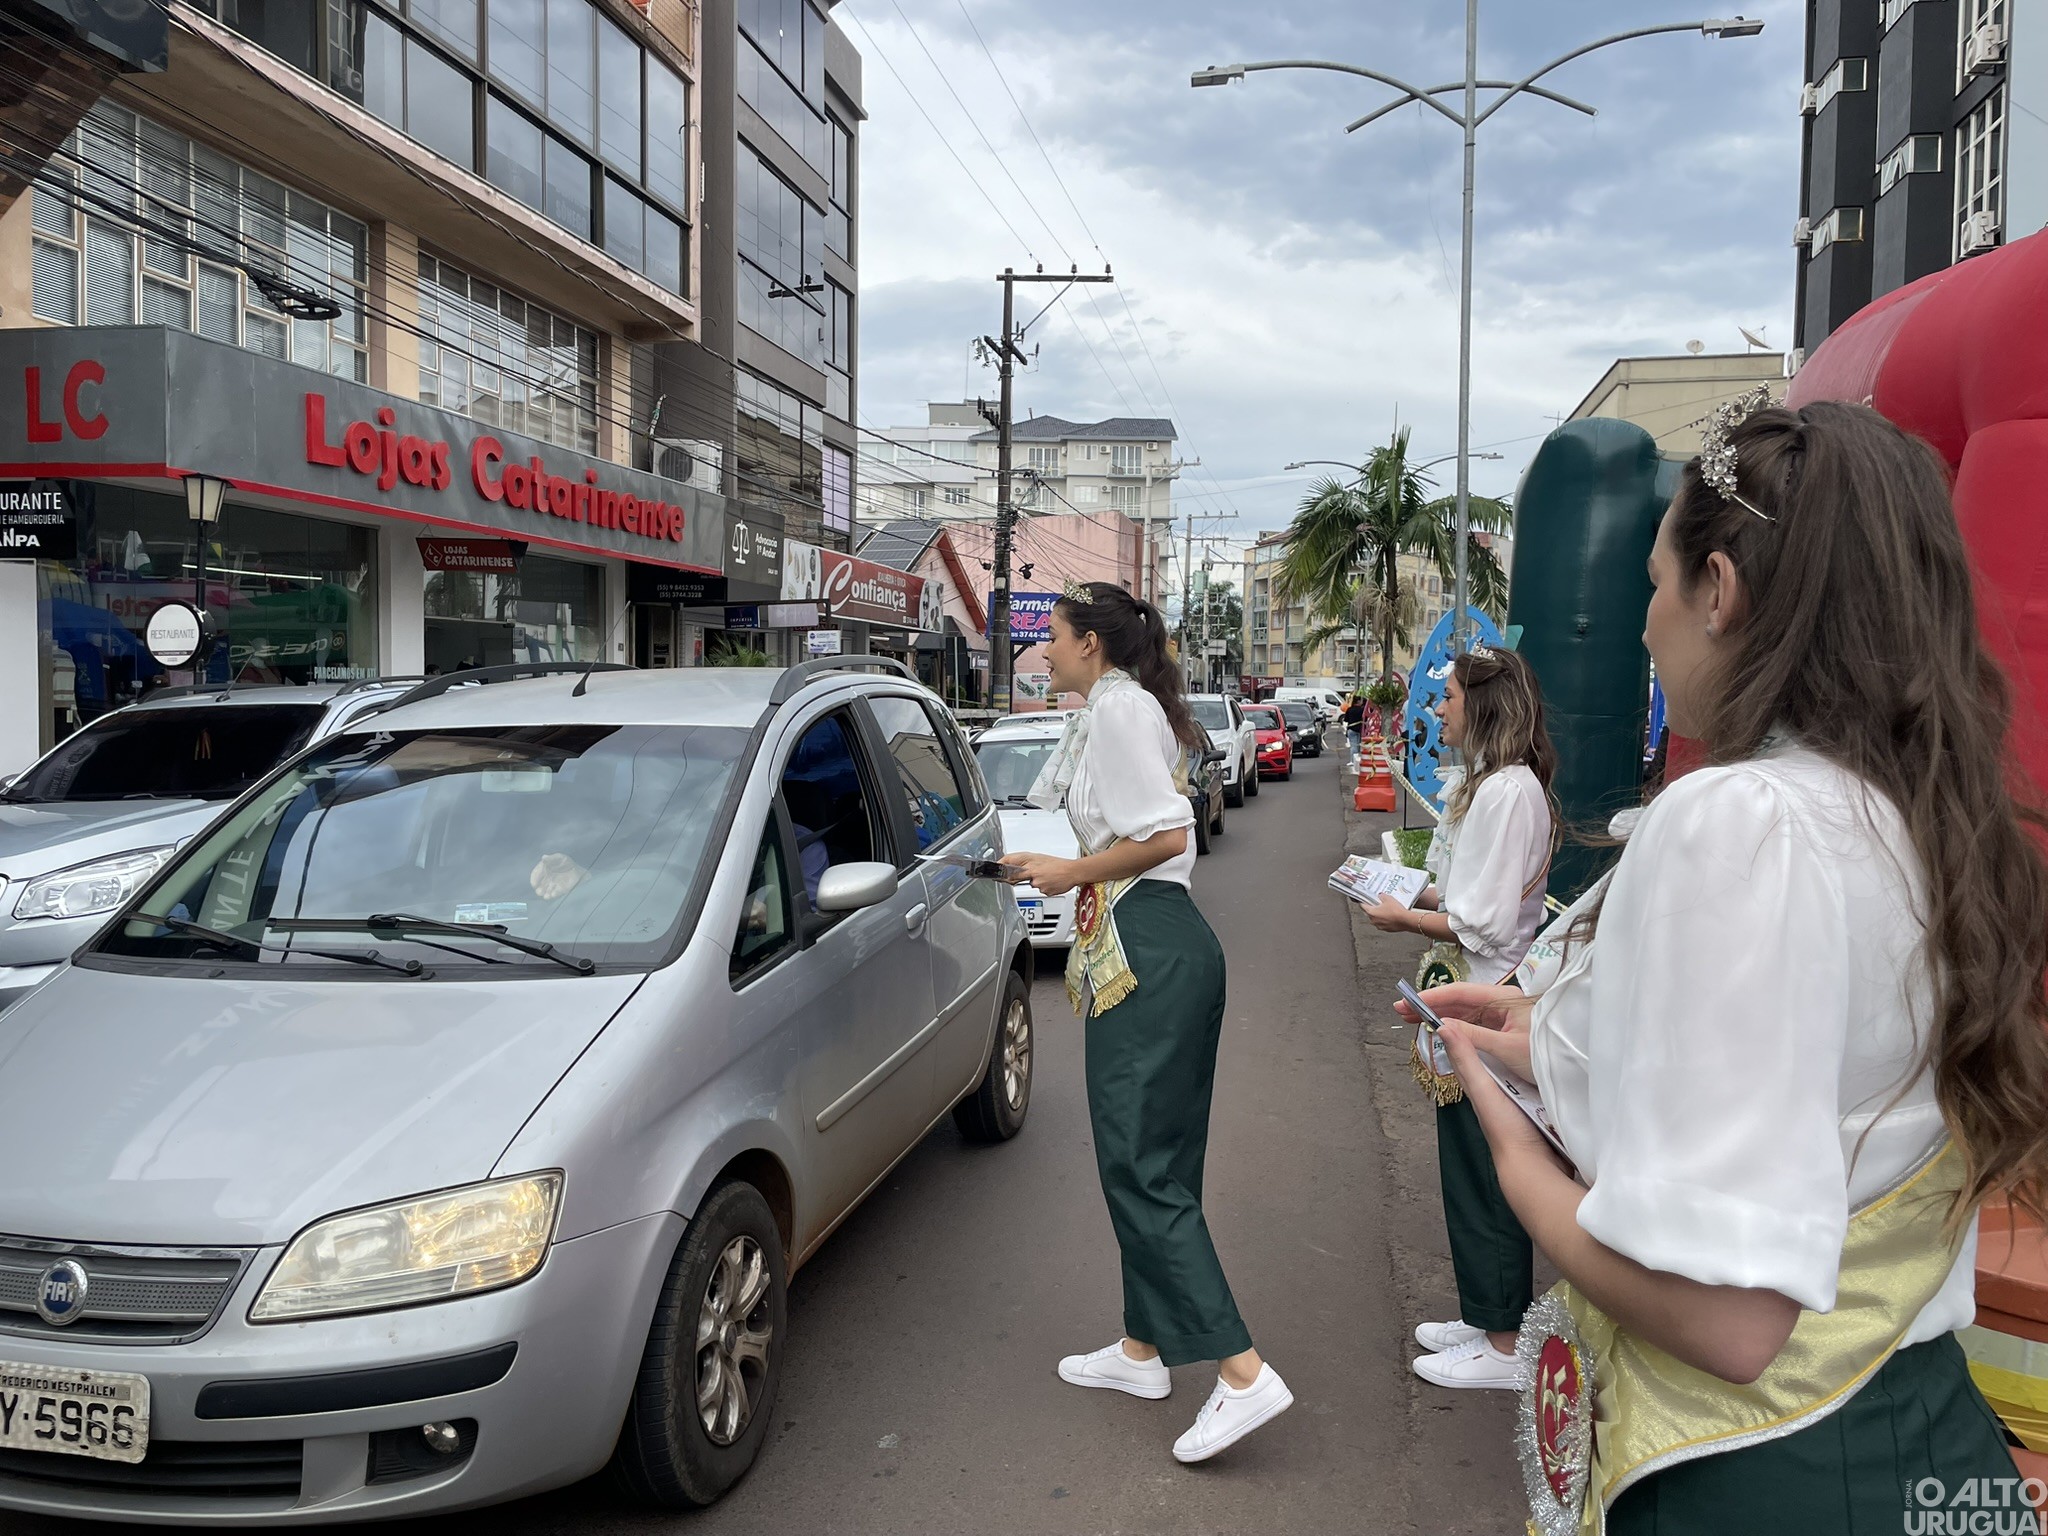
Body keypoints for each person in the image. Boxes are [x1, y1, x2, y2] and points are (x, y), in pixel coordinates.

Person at [1439, 396, 2048, 1534]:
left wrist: (1517, 1154)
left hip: (1761, 1460)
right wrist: (1547, 1035)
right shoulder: (1916, 817)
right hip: (1908, 1426)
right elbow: (1813, 1078)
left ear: (1719, 592)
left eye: (1656, 590)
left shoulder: (1742, 821)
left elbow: (1724, 1318)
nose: (1641, 629)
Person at [1003, 580, 1293, 1465]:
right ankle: (1144, 1348)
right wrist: (1068, 869)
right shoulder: (1118, 709)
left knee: (1137, 1161)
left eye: (1050, 636)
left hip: (1148, 943)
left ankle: (1243, 1374)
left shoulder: (1122, 713)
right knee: (1156, 1157)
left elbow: (1169, 837)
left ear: (1091, 644)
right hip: (1156, 941)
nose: (1041, 650)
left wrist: (1070, 871)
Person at [1360, 646, 1556, 1390]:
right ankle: (1487, 1314)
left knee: (1487, 1165)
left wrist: (1407, 922)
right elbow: (1461, 894)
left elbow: (1486, 921)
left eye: (1447, 696)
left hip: (1487, 993)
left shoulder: (1508, 792)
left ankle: (1506, 1345)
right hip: (1470, 990)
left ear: (1484, 703)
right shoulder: (1492, 786)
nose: (1437, 709)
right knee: (1466, 1161)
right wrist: (1408, 897)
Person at [1342, 691, 1367, 756]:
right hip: (1360, 730)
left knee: (1353, 746)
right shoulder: (1362, 710)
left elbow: (1346, 720)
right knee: (1358, 746)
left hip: (1351, 729)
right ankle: (1356, 760)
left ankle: (1352, 761)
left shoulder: (1349, 709)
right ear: (1358, 702)